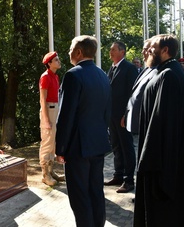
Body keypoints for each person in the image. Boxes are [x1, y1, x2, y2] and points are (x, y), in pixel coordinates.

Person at [134, 34, 184, 227]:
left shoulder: (169, 75)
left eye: (151, 47)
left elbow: (162, 122)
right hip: (162, 156)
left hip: (161, 162)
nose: (147, 51)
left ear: (165, 50)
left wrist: (147, 160)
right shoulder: (164, 71)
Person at [56, 35, 111, 227]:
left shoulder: (73, 75)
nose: (69, 52)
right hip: (98, 143)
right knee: (96, 191)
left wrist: (60, 148)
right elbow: (107, 112)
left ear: (79, 52)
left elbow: (66, 116)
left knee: (80, 197)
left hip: (78, 147)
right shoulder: (103, 75)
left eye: (71, 48)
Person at [105, 42, 138, 194]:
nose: (110, 52)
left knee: (126, 146)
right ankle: (118, 175)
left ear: (122, 52)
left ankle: (129, 180)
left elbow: (133, 95)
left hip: (123, 116)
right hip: (111, 115)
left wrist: (127, 114)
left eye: (113, 49)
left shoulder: (130, 69)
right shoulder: (112, 67)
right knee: (116, 145)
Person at [38, 51, 64, 186]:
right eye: (56, 60)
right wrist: (46, 119)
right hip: (48, 110)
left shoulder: (55, 76)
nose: (59, 62)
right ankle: (45, 175)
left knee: (53, 142)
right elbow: (43, 99)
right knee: (47, 142)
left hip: (55, 109)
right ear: (49, 63)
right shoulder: (45, 77)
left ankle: (51, 171)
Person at [123, 38, 157, 135]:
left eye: (146, 49)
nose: (143, 52)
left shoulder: (158, 72)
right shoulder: (146, 70)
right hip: (139, 123)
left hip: (149, 124)